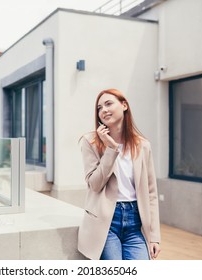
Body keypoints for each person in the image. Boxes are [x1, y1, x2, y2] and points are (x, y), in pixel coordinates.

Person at [78, 88, 161, 260]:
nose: (103, 110)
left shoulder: (142, 145)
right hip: (106, 222)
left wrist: (154, 236)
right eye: (99, 108)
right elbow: (94, 184)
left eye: (108, 104)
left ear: (124, 105)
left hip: (135, 223)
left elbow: (151, 193)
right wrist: (110, 148)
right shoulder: (90, 142)